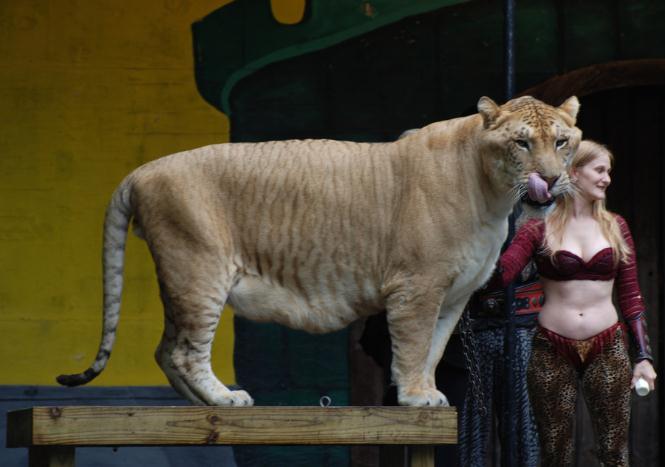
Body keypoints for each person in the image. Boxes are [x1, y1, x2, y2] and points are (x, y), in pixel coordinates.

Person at [491, 140, 657, 466]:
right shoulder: (538, 228)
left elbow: (631, 295)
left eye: (609, 171)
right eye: (599, 170)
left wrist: (643, 356)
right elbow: (502, 274)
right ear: (573, 172)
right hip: (552, 348)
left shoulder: (615, 226)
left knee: (614, 451)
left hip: (607, 345)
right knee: (555, 452)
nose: (607, 178)